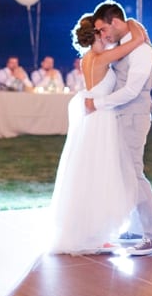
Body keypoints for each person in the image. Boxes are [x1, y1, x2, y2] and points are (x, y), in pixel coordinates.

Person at [50, 13, 146, 255]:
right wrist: (131, 22)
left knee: (87, 171)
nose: (106, 34)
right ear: (94, 35)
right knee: (103, 171)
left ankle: (91, 231)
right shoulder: (103, 58)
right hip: (102, 119)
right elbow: (138, 40)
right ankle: (97, 232)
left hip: (91, 120)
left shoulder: (87, 60)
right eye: (101, 31)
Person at [85, 0, 152, 256]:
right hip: (119, 116)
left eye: (103, 29)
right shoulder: (125, 44)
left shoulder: (142, 52)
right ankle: (135, 229)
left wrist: (98, 103)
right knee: (125, 174)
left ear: (115, 22)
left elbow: (132, 91)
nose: (102, 35)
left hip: (134, 116)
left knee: (135, 174)